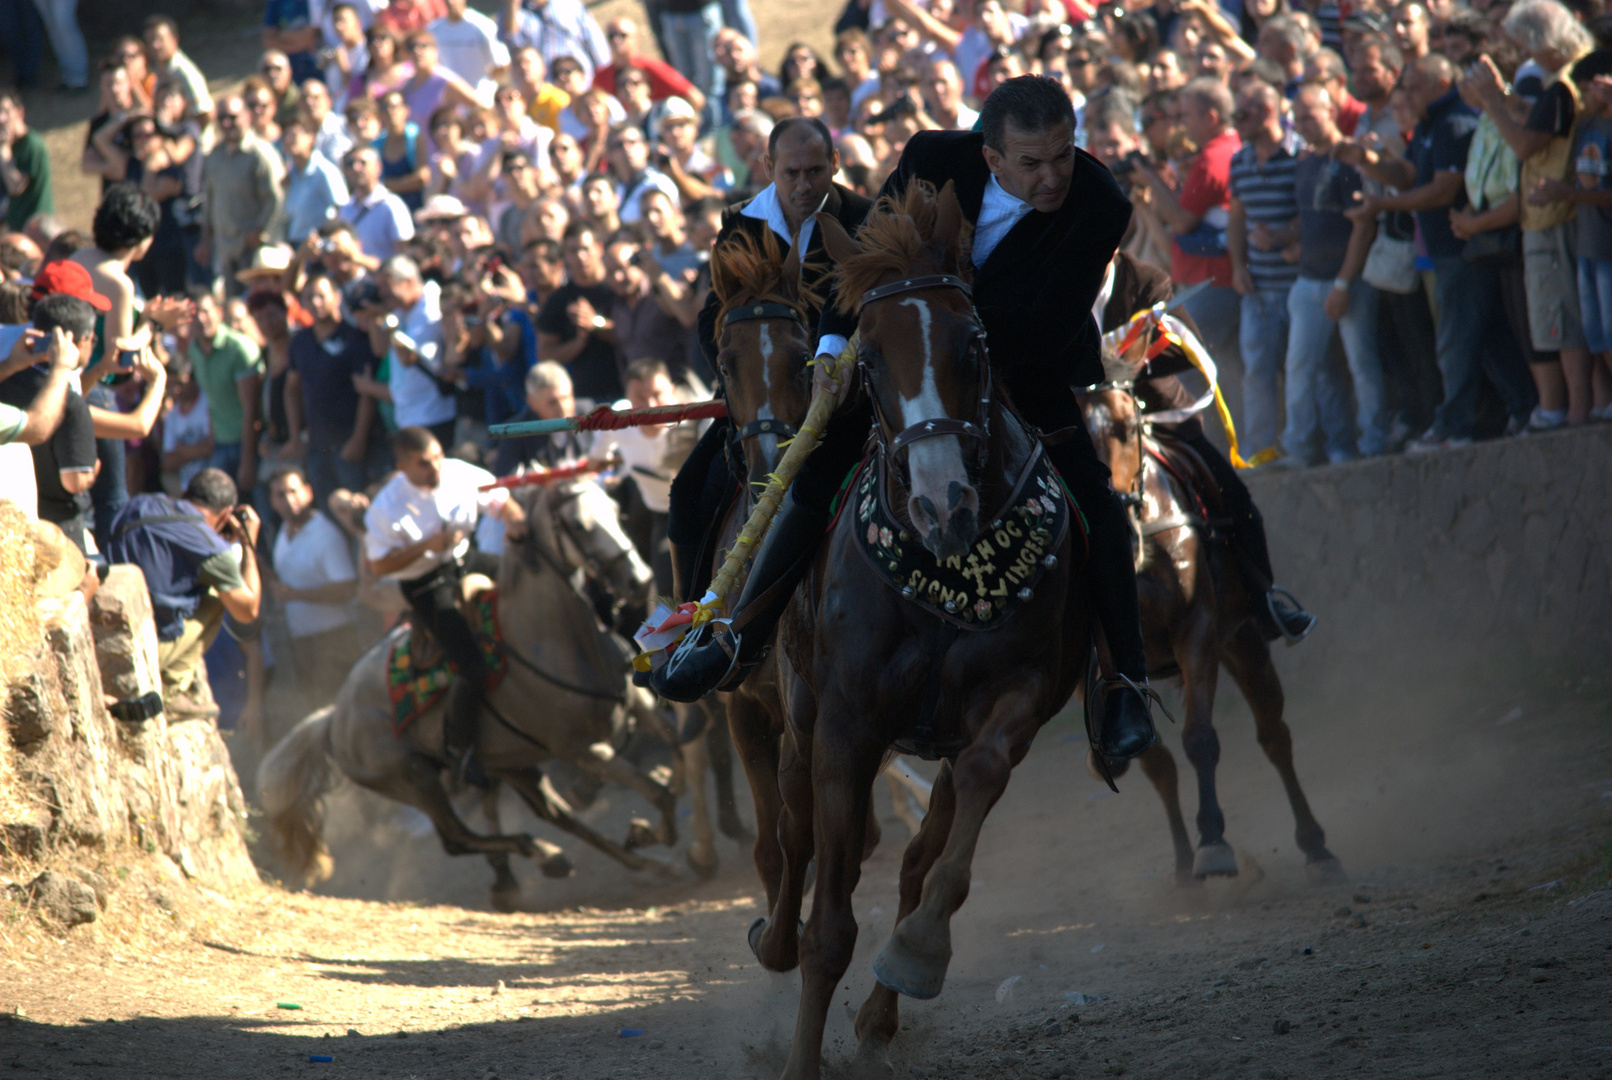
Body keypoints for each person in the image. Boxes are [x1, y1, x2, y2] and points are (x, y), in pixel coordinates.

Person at [654, 78, 1163, 764]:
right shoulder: (930, 156)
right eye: (1032, 163)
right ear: (990, 157)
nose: (1052, 178)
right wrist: (834, 347)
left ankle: (1124, 681)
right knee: (819, 466)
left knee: (1095, 498)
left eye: (1062, 157)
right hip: (900, 352)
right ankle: (741, 635)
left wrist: (941, 337)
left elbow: (1048, 320)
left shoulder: (1102, 203)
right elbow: (861, 259)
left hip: (1023, 365)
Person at [1100, 249, 1314, 641]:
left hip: (1160, 418)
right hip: (1091, 429)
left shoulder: (1147, 281)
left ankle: (1263, 601)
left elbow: (1189, 348)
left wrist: (1125, 364)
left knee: (1236, 496)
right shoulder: (1056, 279)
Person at [363, 425, 527, 783]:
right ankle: (461, 748)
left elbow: (500, 500)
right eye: (424, 464)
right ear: (402, 466)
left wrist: (514, 520)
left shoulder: (458, 472)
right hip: (425, 582)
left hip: (465, 559)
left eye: (437, 457)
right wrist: (426, 547)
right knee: (470, 664)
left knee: (529, 583)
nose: (436, 468)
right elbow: (379, 565)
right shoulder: (384, 508)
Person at [1348, 54, 1484, 450]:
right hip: (1435, 256)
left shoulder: (1453, 121)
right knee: (1461, 341)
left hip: (1461, 250)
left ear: (1442, 84)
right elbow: (1408, 175)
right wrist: (1369, 163)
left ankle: (1458, 427)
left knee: (1459, 341)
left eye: (1413, 86)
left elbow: (1442, 190)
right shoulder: (1428, 124)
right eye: (1403, 86)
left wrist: (1382, 206)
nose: (1403, 95)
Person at [1284, 83, 1388, 464]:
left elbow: (1363, 225)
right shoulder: (1306, 161)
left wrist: (1343, 282)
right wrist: (1287, 242)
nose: (1303, 125)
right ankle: (1306, 447)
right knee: (1304, 369)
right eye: (1297, 119)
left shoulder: (1348, 161)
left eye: (1310, 116)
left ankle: (1374, 441)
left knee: (1362, 364)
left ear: (1331, 112)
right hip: (1308, 279)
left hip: (1348, 279)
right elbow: (1311, 216)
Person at [106, 467, 263, 720]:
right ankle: (171, 690)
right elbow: (247, 611)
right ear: (226, 516)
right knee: (215, 601)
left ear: (183, 493)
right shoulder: (211, 547)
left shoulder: (141, 503)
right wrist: (248, 544)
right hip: (146, 646)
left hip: (106, 627)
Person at [1134, 77, 1242, 362]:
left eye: (1186, 116)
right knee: (1225, 370)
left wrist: (1148, 178)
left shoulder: (1212, 156)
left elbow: (1182, 221)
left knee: (1191, 373)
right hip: (1213, 279)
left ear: (1211, 118)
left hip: (1211, 281)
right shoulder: (1229, 147)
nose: (1182, 124)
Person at [1227, 83, 1300, 461]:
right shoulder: (1239, 161)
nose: (1236, 122)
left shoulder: (1299, 153)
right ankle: (1260, 451)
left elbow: (1318, 213)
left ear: (1267, 110)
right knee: (1257, 373)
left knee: (1305, 371)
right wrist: (1237, 265)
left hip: (1299, 284)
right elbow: (1236, 217)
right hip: (1258, 289)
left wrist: (1287, 235)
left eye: (1243, 114)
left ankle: (1304, 447)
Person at [268, 464, 362, 710]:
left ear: (308, 492)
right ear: (273, 502)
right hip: (302, 643)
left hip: (334, 640)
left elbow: (348, 588)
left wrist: (295, 595)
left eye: (293, 491)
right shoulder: (283, 533)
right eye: (281, 494)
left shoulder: (325, 535)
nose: (289, 500)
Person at [287, 270, 381, 509]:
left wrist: (358, 439)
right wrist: (296, 435)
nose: (316, 302)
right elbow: (292, 389)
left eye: (321, 295)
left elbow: (366, 393)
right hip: (317, 445)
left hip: (350, 443)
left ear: (337, 297)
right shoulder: (300, 342)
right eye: (309, 297)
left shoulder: (355, 338)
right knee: (329, 513)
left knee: (357, 510)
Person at [200, 95, 286, 298]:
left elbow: (277, 198)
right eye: (221, 118)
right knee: (233, 307)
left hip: (254, 250)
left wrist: (260, 231)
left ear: (247, 116)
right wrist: (206, 239)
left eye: (232, 117)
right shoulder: (215, 155)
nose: (227, 123)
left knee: (260, 304)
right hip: (226, 248)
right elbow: (210, 200)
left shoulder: (260, 154)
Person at [536, 220, 625, 404]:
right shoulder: (559, 299)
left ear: (599, 248)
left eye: (585, 249)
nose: (580, 257)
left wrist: (596, 324)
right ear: (565, 256)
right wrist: (576, 345)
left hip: (626, 394)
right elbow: (544, 353)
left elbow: (636, 334)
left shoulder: (619, 287)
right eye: (573, 251)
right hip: (583, 399)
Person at [187, 290, 265, 499]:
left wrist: (247, 462)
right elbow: (212, 399)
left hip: (249, 445)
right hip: (221, 444)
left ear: (219, 312)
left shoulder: (240, 349)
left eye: (205, 311)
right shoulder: (194, 349)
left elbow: (251, 409)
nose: (201, 319)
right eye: (194, 314)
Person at [375, 254, 456, 446]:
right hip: (410, 415)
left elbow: (414, 358)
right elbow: (380, 350)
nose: (381, 294)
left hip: (433, 414)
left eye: (387, 287)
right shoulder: (402, 309)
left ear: (409, 283)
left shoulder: (431, 308)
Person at [492, 359, 591, 473]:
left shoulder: (588, 413)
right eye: (552, 402)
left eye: (566, 398)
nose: (562, 408)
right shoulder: (515, 434)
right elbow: (506, 479)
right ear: (532, 403)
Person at [596, 15, 706, 115]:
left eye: (623, 35)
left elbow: (696, 98)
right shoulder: (601, 77)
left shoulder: (652, 67)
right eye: (611, 36)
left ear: (637, 39)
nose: (617, 40)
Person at [498, 0, 609, 83]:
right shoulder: (513, 14)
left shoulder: (569, 5)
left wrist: (604, 76)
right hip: (545, 89)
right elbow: (511, 45)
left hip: (582, 81)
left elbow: (595, 43)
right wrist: (512, 6)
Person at [281, 116, 351, 245]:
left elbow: (342, 208)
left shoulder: (324, 171)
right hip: (294, 242)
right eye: (286, 135)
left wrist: (323, 235)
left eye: (294, 135)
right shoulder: (292, 174)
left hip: (317, 247)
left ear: (310, 138)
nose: (289, 140)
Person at [339, 145, 416, 260]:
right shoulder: (346, 208)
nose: (356, 168)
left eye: (363, 163)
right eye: (350, 164)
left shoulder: (392, 205)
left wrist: (359, 259)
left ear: (378, 168)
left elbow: (405, 255)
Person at [0, 92, 54, 233]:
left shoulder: (31, 144)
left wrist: (4, 153)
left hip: (37, 229)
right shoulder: (10, 144)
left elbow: (16, 187)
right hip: (16, 226)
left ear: (19, 112)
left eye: (5, 111)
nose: (1, 119)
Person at [143, 15, 213, 123]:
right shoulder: (158, 71)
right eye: (150, 41)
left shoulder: (185, 73)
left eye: (160, 39)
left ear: (174, 39)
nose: (155, 45)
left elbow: (204, 114)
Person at [429, 0, 510, 89]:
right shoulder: (433, 30)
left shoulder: (483, 25)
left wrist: (485, 86)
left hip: (480, 98)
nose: (451, 2)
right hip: (448, 99)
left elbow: (501, 63)